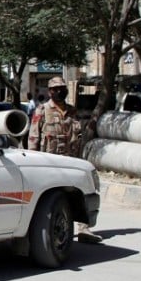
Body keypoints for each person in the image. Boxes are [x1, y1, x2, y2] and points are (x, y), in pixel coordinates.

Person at [27, 76, 101, 243]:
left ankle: (84, 229)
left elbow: (78, 137)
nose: (60, 91)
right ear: (50, 91)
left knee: (80, 192)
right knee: (53, 199)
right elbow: (33, 138)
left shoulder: (72, 111)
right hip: (49, 163)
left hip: (70, 161)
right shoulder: (42, 110)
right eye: (56, 88)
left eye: (62, 88)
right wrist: (32, 161)